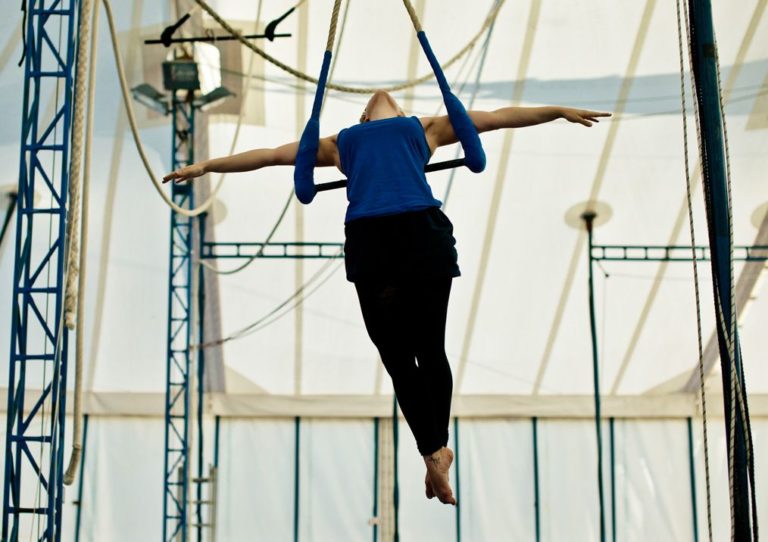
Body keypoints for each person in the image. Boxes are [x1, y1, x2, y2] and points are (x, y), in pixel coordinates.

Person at [164, 90, 610, 505]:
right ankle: (436, 451)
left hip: (420, 233)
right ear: (363, 118)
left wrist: (556, 111)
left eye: (390, 103)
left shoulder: (428, 127)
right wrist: (208, 166)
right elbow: (270, 156)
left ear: (398, 114)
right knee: (397, 358)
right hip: (371, 241)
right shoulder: (340, 144)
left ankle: (434, 451)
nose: (380, 96)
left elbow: (497, 119)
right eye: (370, 106)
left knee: (429, 348)